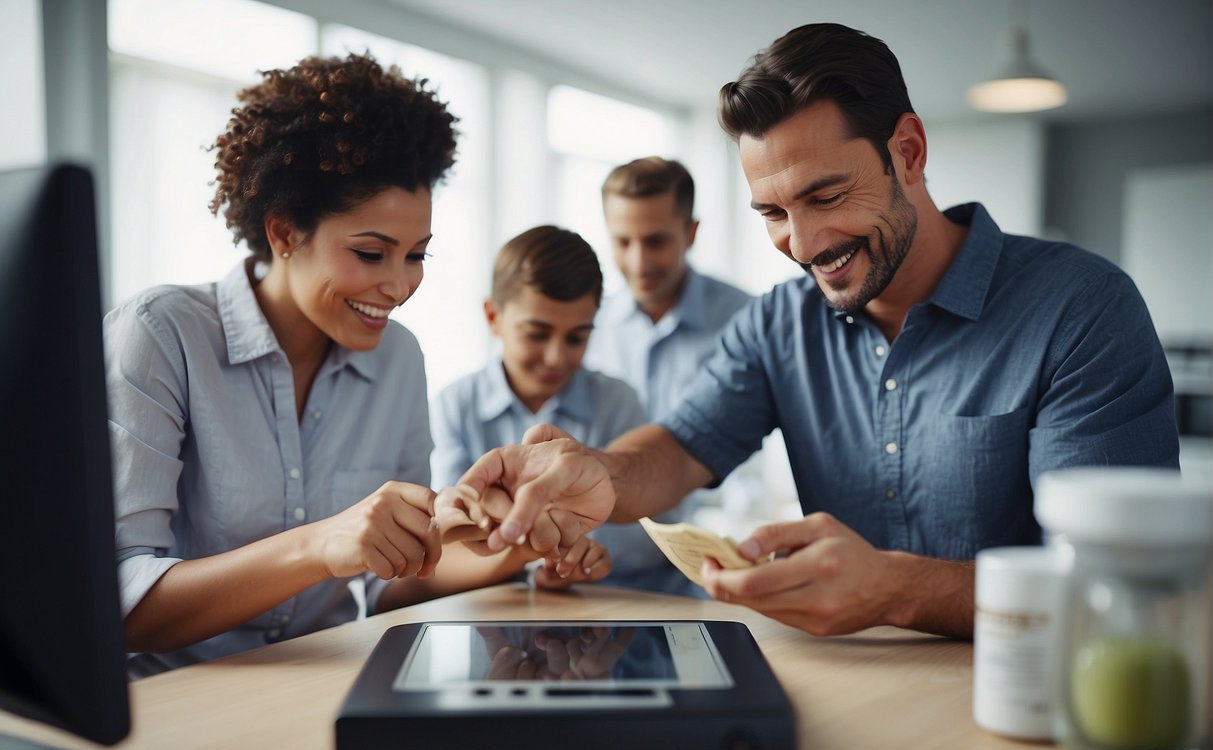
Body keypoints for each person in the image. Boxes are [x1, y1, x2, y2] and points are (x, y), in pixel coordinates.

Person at [448, 23, 1180, 640]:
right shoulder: (778, 321)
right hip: (848, 686)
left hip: (1025, 689)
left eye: (824, 195)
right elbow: (678, 448)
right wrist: (600, 473)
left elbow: (1118, 588)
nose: (800, 243)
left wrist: (896, 590)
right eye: (771, 212)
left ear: (910, 152)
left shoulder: (1080, 309)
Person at [105, 54, 594, 678]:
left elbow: (395, 583)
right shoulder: (161, 334)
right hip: (175, 700)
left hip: (328, 683)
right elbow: (118, 602)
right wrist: (320, 545)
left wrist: (510, 544)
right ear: (284, 234)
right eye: (370, 253)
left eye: (416, 255)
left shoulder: (399, 358)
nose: (398, 285)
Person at [431, 225, 700, 596]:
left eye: (577, 337)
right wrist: (536, 550)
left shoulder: (618, 401)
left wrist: (587, 558)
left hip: (615, 603)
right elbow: (450, 538)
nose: (556, 357)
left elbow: (652, 535)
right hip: (495, 609)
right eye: (537, 334)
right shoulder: (454, 405)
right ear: (493, 317)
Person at [587, 157, 751, 423]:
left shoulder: (745, 321)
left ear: (691, 233)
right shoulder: (587, 327)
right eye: (623, 242)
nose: (638, 263)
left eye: (656, 242)